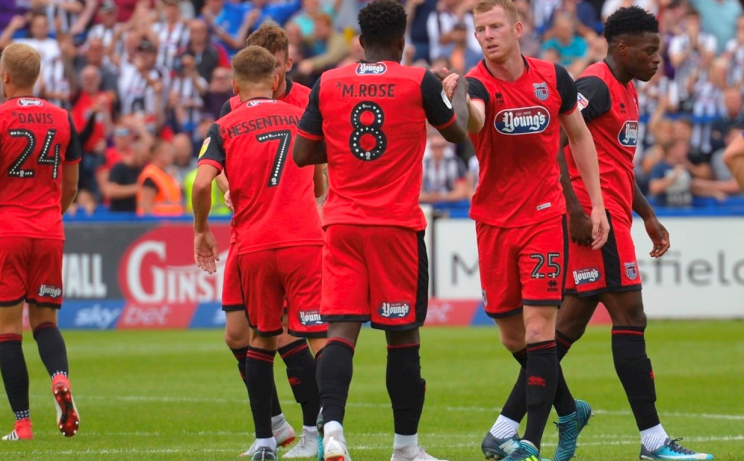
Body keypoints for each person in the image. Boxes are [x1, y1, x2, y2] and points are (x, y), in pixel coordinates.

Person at [485, 6, 716, 461]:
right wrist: (574, 208)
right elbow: (552, 138)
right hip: (597, 222)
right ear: (622, 48)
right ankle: (653, 442)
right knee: (630, 319)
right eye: (650, 51)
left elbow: (613, 162)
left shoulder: (627, 90)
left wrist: (647, 214)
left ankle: (503, 428)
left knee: (563, 332)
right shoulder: (594, 85)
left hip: (610, 218)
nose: (657, 59)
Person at [293, 1, 469, 460]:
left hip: (343, 224)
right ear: (401, 42)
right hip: (395, 227)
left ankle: (332, 431)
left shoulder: (328, 82)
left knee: (339, 333)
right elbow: (459, 135)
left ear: (359, 42)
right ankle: (405, 448)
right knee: (403, 338)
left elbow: (301, 155)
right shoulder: (418, 80)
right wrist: (456, 90)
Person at [441, 1, 609, 460]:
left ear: (518, 28)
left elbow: (578, 135)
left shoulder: (553, 77)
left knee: (539, 328)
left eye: (495, 26)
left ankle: (530, 443)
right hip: (494, 220)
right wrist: (457, 100)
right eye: (479, 29)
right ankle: (570, 409)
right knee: (513, 337)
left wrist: (596, 204)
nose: (487, 35)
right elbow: (472, 118)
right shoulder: (475, 82)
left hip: (543, 216)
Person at [193, 45, 324, 461]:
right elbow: (320, 182)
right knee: (307, 335)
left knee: (266, 337)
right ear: (275, 79)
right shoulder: (301, 117)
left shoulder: (224, 125)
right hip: (300, 238)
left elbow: (200, 184)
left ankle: (287, 437)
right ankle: (305, 432)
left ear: (234, 84)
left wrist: (200, 230)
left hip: (256, 243)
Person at [0, 43, 81, 441]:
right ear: (39, 77)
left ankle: (23, 423)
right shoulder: (63, 118)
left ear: (5, 76)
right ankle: (61, 379)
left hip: (7, 231)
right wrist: (49, 215)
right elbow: (71, 187)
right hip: (49, 230)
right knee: (46, 322)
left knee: (9, 331)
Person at [136, 140, 183, 216]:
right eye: (168, 151)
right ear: (158, 154)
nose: (171, 155)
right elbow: (146, 207)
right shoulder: (151, 176)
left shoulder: (164, 174)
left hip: (171, 223)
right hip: (158, 225)